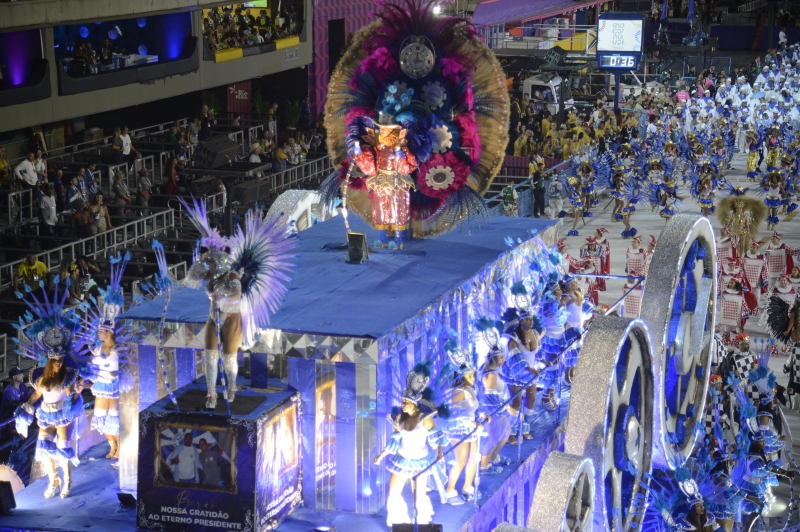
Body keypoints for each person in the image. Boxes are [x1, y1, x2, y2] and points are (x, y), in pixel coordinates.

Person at [374, 363, 444, 527]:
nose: (403, 404)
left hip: (421, 460)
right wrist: (381, 455)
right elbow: (394, 441)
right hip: (403, 459)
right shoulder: (400, 418)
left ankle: (423, 523)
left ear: (414, 403)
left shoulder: (425, 419)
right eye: (402, 401)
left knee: (419, 495)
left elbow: (437, 438)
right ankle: (400, 521)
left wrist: (440, 452)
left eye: (406, 402)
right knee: (394, 493)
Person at [14, 348, 84, 498]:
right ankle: (54, 480)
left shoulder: (67, 378)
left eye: (60, 360)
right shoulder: (42, 379)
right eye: (55, 360)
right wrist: (26, 407)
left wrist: (77, 392)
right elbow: (37, 394)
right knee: (43, 448)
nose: (58, 363)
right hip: (46, 414)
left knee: (62, 448)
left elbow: (71, 399)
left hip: (63, 414)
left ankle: (68, 481)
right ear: (50, 361)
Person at [83, 322, 121, 459]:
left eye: (101, 331)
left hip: (115, 388)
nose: (98, 334)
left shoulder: (118, 350)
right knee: (100, 419)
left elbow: (129, 367)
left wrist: (119, 372)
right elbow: (92, 368)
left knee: (115, 421)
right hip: (102, 386)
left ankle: (120, 450)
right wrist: (83, 378)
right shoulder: (98, 349)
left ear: (109, 332)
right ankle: (113, 446)